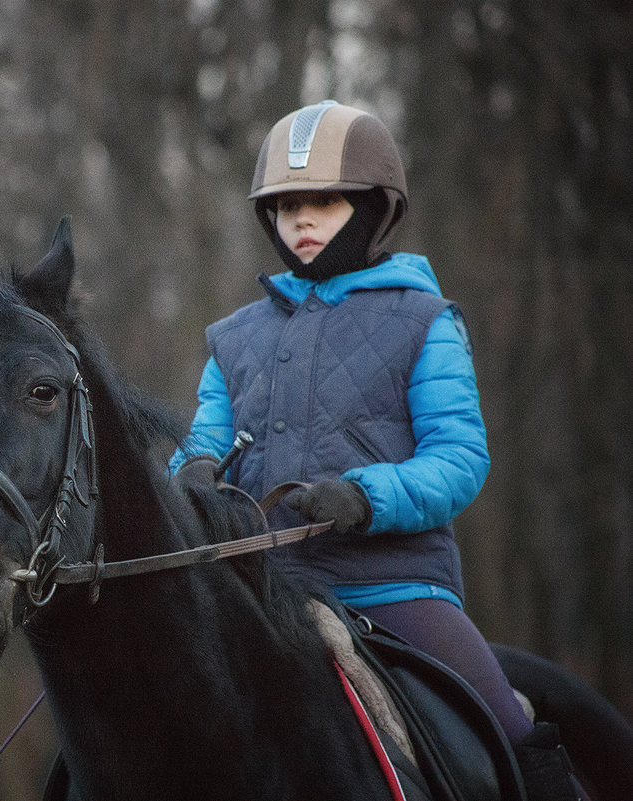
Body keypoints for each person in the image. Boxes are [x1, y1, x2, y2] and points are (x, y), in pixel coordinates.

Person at [171, 100, 585, 801]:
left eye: (323, 201)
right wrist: (191, 472)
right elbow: (202, 440)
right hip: (258, 589)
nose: (300, 220)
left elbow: (459, 456)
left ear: (371, 205)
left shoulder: (426, 322)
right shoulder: (232, 338)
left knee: (515, 739)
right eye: (284, 205)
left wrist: (366, 495)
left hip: (393, 586)